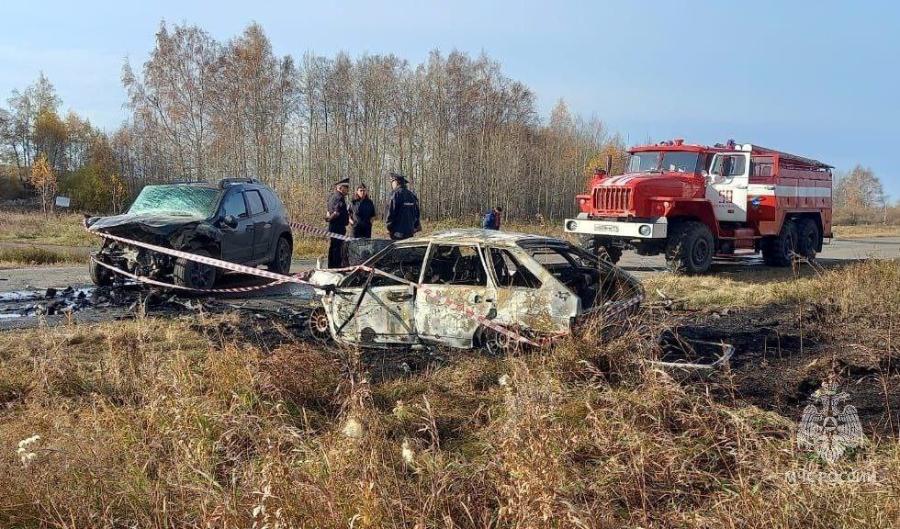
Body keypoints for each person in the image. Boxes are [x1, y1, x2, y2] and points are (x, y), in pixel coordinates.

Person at [385, 172, 421, 240]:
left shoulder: (394, 194)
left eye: (392, 181)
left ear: (396, 182)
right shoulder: (412, 195)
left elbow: (390, 213)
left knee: (397, 250)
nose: (391, 184)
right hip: (410, 232)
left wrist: (389, 228)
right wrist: (416, 226)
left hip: (397, 233)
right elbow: (417, 214)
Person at [325, 177, 350, 268]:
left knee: (333, 247)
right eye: (346, 187)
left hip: (333, 226)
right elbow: (336, 212)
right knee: (337, 248)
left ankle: (331, 267)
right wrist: (329, 219)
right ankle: (336, 268)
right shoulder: (339, 197)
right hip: (338, 227)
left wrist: (328, 218)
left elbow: (328, 211)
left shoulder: (331, 197)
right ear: (340, 187)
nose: (347, 190)